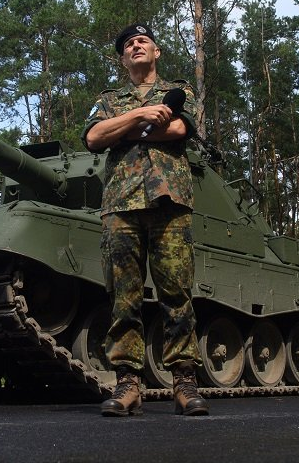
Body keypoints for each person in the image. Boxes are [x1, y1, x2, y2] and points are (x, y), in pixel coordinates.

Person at [82, 23, 209, 417]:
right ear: (123, 59)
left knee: (176, 294)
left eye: (143, 42)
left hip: (169, 201)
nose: (136, 46)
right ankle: (127, 384)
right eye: (129, 45)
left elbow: (180, 129)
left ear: (156, 52)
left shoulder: (180, 90)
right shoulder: (110, 98)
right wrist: (139, 114)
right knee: (124, 297)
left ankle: (184, 383)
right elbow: (93, 137)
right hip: (120, 205)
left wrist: (124, 130)